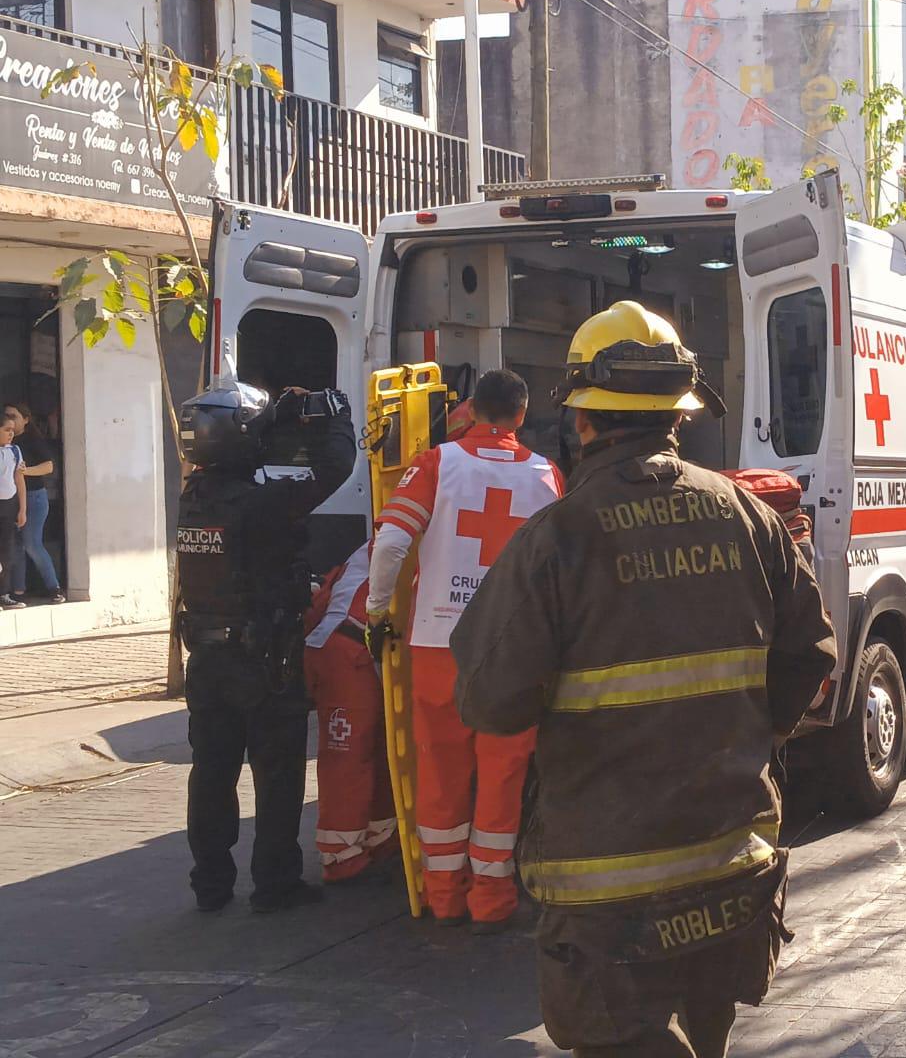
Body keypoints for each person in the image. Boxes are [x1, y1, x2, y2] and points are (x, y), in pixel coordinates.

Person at [452, 301, 836, 1058]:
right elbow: (812, 653)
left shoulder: (557, 538)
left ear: (583, 421)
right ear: (679, 417)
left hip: (605, 884)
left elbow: (491, 703)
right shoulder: (746, 516)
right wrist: (741, 735)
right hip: (727, 859)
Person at [364, 369, 561, 931]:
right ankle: (492, 900)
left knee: (439, 767)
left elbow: (393, 542)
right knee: (503, 773)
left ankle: (444, 896)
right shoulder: (547, 476)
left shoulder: (436, 464)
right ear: (521, 416)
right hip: (514, 649)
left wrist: (381, 611)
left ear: (471, 409)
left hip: (437, 643)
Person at [176, 379, 357, 914]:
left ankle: (210, 882)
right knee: (276, 773)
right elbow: (334, 468)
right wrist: (332, 413)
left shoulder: (195, 498)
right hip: (263, 660)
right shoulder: (262, 505)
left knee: (212, 770)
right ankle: (275, 883)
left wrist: (271, 425)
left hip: (206, 660)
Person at [303, 544, 397, 884]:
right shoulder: (401, 536)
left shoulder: (387, 535)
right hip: (345, 652)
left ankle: (378, 836)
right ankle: (340, 855)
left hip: (350, 648)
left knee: (381, 746)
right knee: (348, 755)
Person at [4, 403, 64, 604]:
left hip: (34, 497)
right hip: (13, 499)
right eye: (6, 416)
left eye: (14, 415)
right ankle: (18, 591)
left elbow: (48, 466)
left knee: (32, 543)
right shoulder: (7, 442)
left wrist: (23, 471)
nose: (10, 419)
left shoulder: (31, 440)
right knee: (17, 547)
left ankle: (54, 587)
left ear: (26, 419)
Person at [0, 415, 22, 611]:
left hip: (9, 504)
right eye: (7, 429)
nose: (10, 434)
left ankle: (4, 594)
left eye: (12, 430)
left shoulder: (14, 450)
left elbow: (18, 478)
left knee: (7, 551)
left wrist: (23, 508)